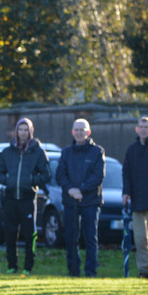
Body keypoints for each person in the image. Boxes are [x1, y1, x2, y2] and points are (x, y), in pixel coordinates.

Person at [0, 118, 51, 275]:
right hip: (10, 198)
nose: (23, 133)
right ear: (16, 131)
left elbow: (46, 175)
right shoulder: (7, 152)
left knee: (29, 234)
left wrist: (31, 180)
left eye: (26, 130)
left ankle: (28, 267)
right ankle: (12, 265)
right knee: (10, 233)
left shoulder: (38, 152)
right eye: (20, 129)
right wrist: (8, 181)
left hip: (27, 198)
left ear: (30, 132)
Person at [56, 119, 105, 278]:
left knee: (90, 238)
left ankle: (91, 272)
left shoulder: (97, 152)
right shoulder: (66, 152)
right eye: (76, 129)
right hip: (70, 202)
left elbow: (98, 176)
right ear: (72, 132)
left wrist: (81, 190)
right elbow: (60, 175)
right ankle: (73, 271)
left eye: (82, 130)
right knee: (71, 238)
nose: (79, 132)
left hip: (90, 202)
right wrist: (70, 190)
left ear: (88, 132)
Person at [121, 116, 148, 279]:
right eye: (141, 126)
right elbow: (126, 173)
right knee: (140, 238)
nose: (144, 129)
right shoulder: (131, 150)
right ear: (137, 129)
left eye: (147, 127)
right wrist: (126, 192)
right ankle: (144, 270)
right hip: (137, 201)